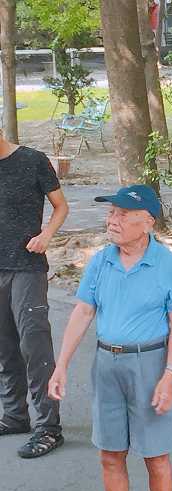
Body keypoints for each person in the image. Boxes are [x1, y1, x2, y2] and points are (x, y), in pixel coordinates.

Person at [48, 185, 172, 491]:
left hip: (150, 364)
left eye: (122, 214)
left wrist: (170, 375)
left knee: (156, 456)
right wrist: (61, 365)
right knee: (110, 453)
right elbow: (82, 312)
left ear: (147, 222)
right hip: (106, 363)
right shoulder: (101, 261)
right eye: (111, 213)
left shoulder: (166, 264)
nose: (112, 220)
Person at [0, 127, 68, 458]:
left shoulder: (32, 160)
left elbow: (61, 207)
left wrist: (46, 235)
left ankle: (48, 428)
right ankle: (14, 416)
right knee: (5, 346)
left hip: (26, 267)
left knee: (34, 345)